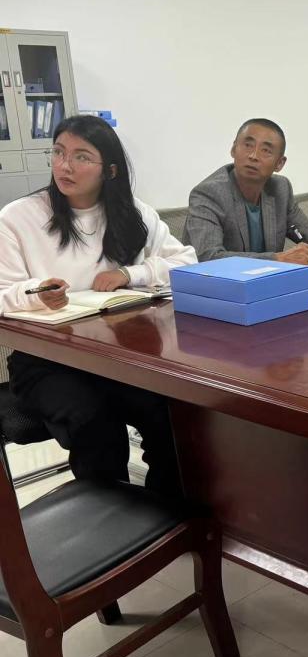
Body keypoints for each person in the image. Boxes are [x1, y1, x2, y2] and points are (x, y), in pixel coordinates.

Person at [0, 115, 198, 498]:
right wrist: (36, 293)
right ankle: (106, 523)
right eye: (58, 152)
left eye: (81, 157)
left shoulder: (132, 212)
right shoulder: (19, 218)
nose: (64, 166)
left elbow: (186, 262)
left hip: (118, 356)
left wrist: (130, 273)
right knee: (96, 423)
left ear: (110, 170)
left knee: (171, 412)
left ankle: (167, 512)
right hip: (46, 362)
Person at [184, 118, 308, 263]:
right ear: (233, 149)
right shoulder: (209, 193)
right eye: (248, 145)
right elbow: (208, 257)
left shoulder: (280, 189)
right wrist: (277, 259)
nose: (253, 156)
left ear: (279, 164)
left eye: (265, 150)